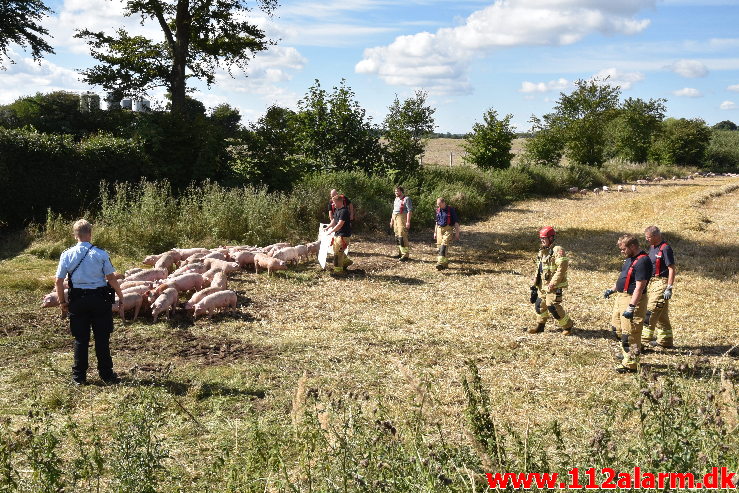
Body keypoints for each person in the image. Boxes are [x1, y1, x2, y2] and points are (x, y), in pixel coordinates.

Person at [55, 219, 125, 385]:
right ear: (90, 234)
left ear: (75, 235)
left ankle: (79, 377)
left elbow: (58, 281)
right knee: (102, 337)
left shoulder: (66, 254)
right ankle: (106, 375)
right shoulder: (100, 254)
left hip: (78, 300)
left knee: (80, 338)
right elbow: (111, 278)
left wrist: (62, 302)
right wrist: (121, 296)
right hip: (99, 299)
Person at [603, 234, 653, 373]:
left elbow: (640, 286)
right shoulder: (630, 258)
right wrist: (612, 290)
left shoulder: (643, 261)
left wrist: (631, 307)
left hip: (632, 299)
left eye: (623, 249)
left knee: (629, 333)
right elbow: (624, 278)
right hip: (621, 297)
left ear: (632, 246)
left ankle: (631, 364)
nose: (622, 252)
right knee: (617, 327)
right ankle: (627, 355)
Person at [529, 226, 574, 335]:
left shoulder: (558, 250)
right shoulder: (542, 252)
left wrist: (553, 283)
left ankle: (567, 326)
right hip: (542, 286)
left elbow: (562, 268)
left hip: (554, 286)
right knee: (539, 305)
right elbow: (539, 268)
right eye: (541, 238)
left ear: (551, 238)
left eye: (544, 238)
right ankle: (540, 326)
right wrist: (535, 283)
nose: (542, 240)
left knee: (553, 306)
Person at [642, 226, 676, 349]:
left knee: (650, 311)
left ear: (656, 236)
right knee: (661, 314)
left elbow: (671, 268)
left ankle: (642, 341)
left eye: (648, 237)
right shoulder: (652, 247)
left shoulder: (665, 249)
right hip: (652, 282)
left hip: (661, 283)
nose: (647, 240)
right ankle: (665, 340)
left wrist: (669, 287)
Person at [324, 194, 353, 275]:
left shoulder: (344, 211)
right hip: (338, 234)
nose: (333, 204)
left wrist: (331, 231)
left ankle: (338, 271)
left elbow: (340, 224)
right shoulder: (337, 210)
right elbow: (334, 220)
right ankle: (346, 261)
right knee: (336, 250)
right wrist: (328, 227)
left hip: (344, 235)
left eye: (334, 202)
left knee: (338, 253)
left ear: (339, 202)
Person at [433, 197, 460, 270]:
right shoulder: (438, 210)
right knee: (439, 247)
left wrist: (457, 233)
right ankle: (445, 264)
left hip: (448, 229)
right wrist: (435, 232)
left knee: (444, 245)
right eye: (438, 205)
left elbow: (456, 222)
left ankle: (440, 263)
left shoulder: (451, 210)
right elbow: (436, 222)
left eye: (440, 204)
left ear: (443, 203)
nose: (439, 206)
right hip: (439, 229)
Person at [389, 186, 413, 261]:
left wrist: (408, 222)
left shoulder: (407, 199)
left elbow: (409, 211)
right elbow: (393, 211)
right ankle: (400, 253)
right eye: (395, 191)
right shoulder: (396, 199)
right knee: (397, 236)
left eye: (397, 191)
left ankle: (405, 255)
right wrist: (391, 221)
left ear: (401, 191)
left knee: (402, 236)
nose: (396, 193)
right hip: (395, 218)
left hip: (402, 217)